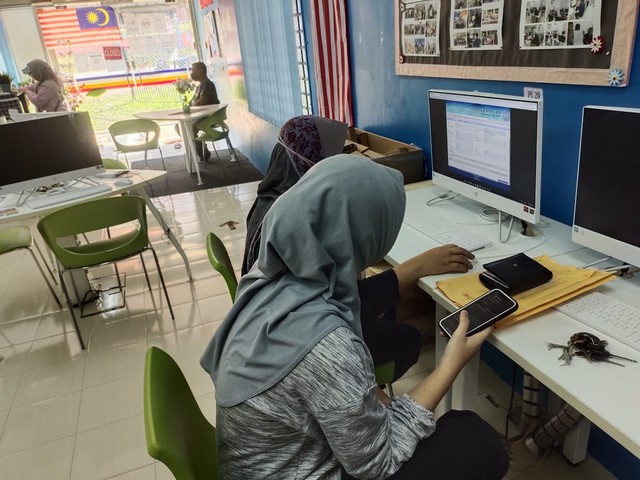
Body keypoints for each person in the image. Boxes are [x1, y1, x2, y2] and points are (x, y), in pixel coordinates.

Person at [201, 156, 509, 479]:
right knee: (477, 440)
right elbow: (379, 462)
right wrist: (450, 362)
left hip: (268, 461)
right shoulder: (328, 346)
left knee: (436, 395)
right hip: (304, 470)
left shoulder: (271, 276)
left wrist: (415, 267)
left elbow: (353, 300)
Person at [241, 115, 476, 382]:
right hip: (298, 336)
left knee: (388, 306)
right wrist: (416, 266)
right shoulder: (292, 227)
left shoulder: (276, 203)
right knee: (407, 338)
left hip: (277, 321)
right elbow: (331, 301)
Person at [189, 61, 220, 161]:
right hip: (201, 116)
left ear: (200, 71)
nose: (192, 73)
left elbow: (201, 101)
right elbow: (192, 102)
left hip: (210, 117)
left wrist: (191, 108)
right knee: (179, 127)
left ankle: (203, 153)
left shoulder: (207, 85)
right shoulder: (199, 86)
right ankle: (202, 150)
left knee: (189, 128)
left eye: (193, 70)